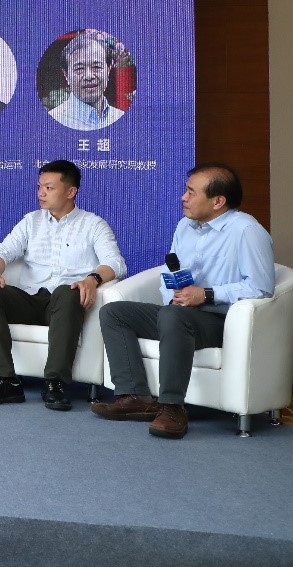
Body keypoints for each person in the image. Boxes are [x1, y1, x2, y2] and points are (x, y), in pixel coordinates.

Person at [93, 162, 275, 439]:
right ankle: (134, 397)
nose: (183, 197)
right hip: (179, 315)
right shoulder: (185, 226)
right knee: (114, 312)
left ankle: (172, 408)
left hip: (221, 321)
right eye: (185, 190)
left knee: (172, 316)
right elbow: (170, 273)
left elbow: (261, 288)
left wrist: (207, 294)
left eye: (191, 192)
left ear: (218, 201)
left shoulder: (246, 231)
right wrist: (174, 297)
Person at [0, 160, 126, 410]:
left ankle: (55, 383)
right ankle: (5, 381)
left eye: (49, 188)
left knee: (68, 291)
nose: (41, 193)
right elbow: (2, 251)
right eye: (40, 187)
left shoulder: (93, 224)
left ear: (71, 192)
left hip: (65, 303)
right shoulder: (31, 221)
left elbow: (115, 263)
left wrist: (91, 279)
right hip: (31, 299)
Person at [48, 33, 125, 130]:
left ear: (108, 70)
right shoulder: (53, 121)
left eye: (96, 67)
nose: (89, 76)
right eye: (79, 69)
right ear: (66, 75)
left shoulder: (120, 117)